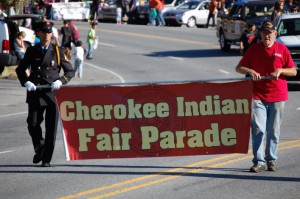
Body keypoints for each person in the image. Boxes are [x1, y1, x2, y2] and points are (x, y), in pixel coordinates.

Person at [235, 21, 297, 173]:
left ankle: (271, 159)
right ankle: (259, 161)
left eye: (269, 33)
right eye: (264, 33)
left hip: (277, 95)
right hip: (257, 95)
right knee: (258, 129)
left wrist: (280, 71)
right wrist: (250, 71)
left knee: (273, 130)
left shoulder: (282, 49)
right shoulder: (254, 49)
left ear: (275, 34)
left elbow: (294, 71)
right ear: (260, 34)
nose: (266, 36)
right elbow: (238, 68)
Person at [15, 21, 75, 167]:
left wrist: (61, 81)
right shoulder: (32, 50)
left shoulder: (58, 51)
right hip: (36, 92)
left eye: (49, 32)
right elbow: (20, 69)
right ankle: (40, 148)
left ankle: (46, 159)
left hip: (52, 94)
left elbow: (70, 71)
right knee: (32, 124)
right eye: (44, 32)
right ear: (38, 33)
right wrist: (26, 82)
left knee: (51, 128)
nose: (47, 35)